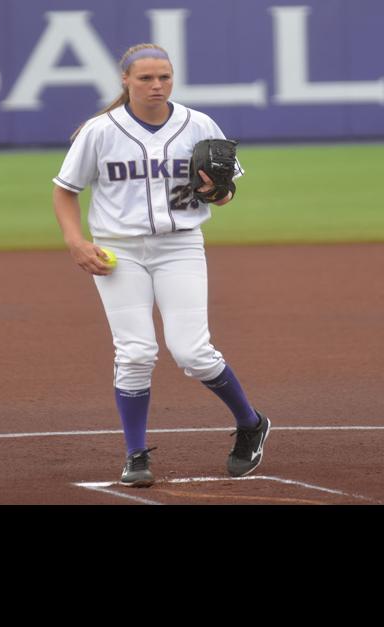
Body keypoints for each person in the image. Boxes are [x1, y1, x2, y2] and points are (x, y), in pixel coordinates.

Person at [51, 43, 269, 488]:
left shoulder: (198, 124)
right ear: (126, 80)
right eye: (146, 78)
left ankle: (250, 423)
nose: (156, 85)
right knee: (135, 352)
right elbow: (65, 189)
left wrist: (215, 192)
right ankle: (135, 453)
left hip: (180, 246)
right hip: (118, 252)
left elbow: (226, 193)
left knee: (192, 352)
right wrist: (75, 242)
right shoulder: (100, 130)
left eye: (164, 77)